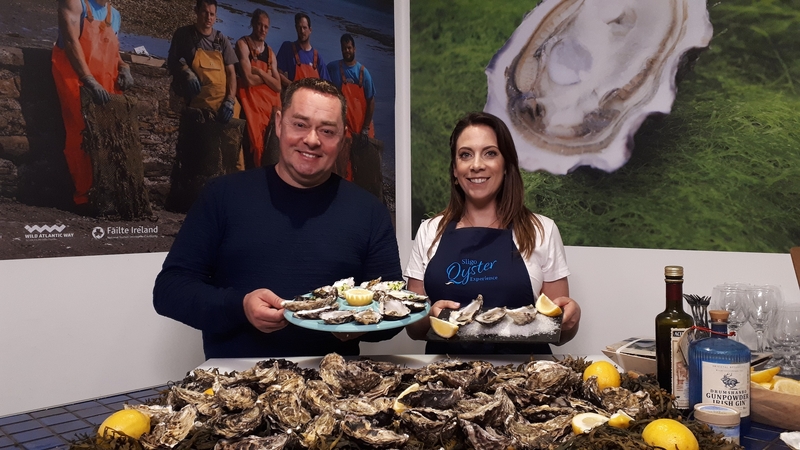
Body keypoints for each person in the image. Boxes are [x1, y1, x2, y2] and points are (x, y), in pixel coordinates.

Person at [153, 78, 402, 359]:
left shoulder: (369, 211)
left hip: (333, 385)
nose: (312, 139)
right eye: (300, 124)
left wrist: (357, 326)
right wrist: (241, 306)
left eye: (327, 130)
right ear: (280, 122)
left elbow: (394, 309)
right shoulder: (222, 196)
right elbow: (169, 291)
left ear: (343, 138)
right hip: (236, 382)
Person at [404, 111, 581, 355]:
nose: (477, 165)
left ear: (506, 165)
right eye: (465, 155)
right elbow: (413, 330)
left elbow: (558, 331)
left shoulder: (542, 230)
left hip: (524, 380)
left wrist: (572, 318)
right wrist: (430, 317)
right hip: (446, 381)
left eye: (490, 153)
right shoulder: (429, 231)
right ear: (455, 170)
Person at [52, 0, 133, 212]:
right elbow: (70, 42)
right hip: (76, 79)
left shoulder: (113, 14)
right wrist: (88, 79)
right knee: (81, 135)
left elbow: (114, 51)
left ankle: (106, 192)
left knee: (109, 137)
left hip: (105, 83)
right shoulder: (74, 4)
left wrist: (124, 67)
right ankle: (84, 198)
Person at [167, 0, 238, 124]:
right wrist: (186, 71)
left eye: (212, 14)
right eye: (205, 13)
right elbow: (172, 62)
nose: (208, 17)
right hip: (196, 107)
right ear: (196, 11)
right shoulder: (183, 34)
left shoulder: (221, 40)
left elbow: (231, 74)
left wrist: (230, 100)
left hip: (221, 109)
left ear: (216, 16)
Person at [235, 8, 281, 168]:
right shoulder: (243, 44)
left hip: (269, 108)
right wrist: (268, 77)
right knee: (254, 146)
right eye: (260, 25)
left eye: (266, 27)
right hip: (250, 103)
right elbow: (248, 80)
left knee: (271, 148)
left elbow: (278, 86)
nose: (262, 30)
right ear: (253, 24)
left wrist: (261, 73)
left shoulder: (270, 53)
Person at [326, 34, 375, 139]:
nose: (347, 51)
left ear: (354, 49)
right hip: (343, 126)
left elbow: (371, 102)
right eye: (344, 48)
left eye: (349, 48)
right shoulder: (332, 67)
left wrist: (365, 129)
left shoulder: (363, 73)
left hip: (362, 127)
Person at [276, 13, 331, 88]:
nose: (302, 31)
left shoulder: (317, 57)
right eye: (299, 27)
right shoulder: (287, 47)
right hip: (294, 97)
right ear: (296, 28)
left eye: (305, 28)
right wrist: (293, 87)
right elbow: (278, 74)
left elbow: (327, 85)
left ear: (310, 30)